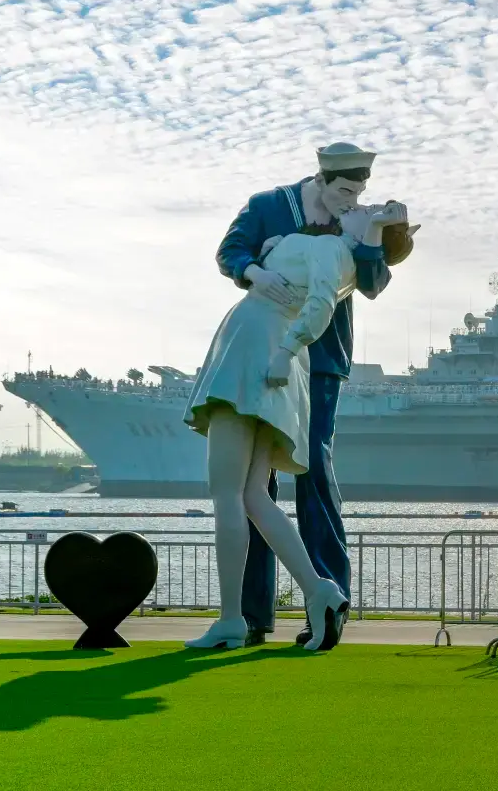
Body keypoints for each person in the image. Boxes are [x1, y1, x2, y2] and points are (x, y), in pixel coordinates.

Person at [206, 142, 408, 648]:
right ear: (322, 180)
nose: (353, 199)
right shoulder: (269, 205)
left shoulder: (359, 219)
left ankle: (325, 600)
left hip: (318, 359)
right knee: (258, 486)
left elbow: (373, 283)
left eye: (358, 191)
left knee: (311, 471)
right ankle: (254, 611)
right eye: (346, 190)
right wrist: (255, 272)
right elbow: (231, 251)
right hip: (267, 347)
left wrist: (379, 233)